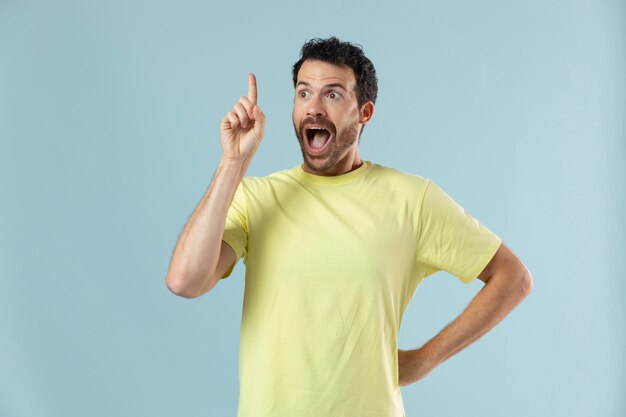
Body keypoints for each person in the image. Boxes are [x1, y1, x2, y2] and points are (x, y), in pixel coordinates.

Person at [165, 37, 533, 417]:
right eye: (304, 93)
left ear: (365, 113)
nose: (314, 108)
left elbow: (513, 278)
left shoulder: (412, 200)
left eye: (333, 95)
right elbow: (184, 281)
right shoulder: (255, 198)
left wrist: (426, 359)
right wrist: (232, 164)